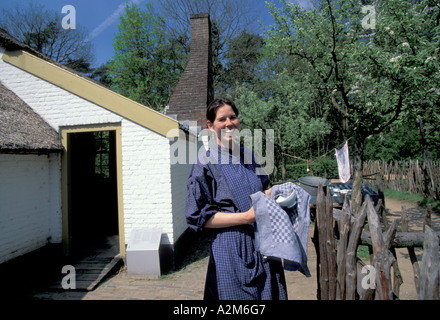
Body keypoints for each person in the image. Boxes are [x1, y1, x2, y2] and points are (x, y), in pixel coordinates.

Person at [185, 98, 288, 300]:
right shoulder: (205, 163)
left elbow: (262, 190)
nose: (229, 123)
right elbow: (199, 218)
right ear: (210, 125)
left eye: (232, 117)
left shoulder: (249, 156)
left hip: (265, 245)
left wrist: (279, 192)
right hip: (232, 249)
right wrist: (247, 217)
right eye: (222, 119)